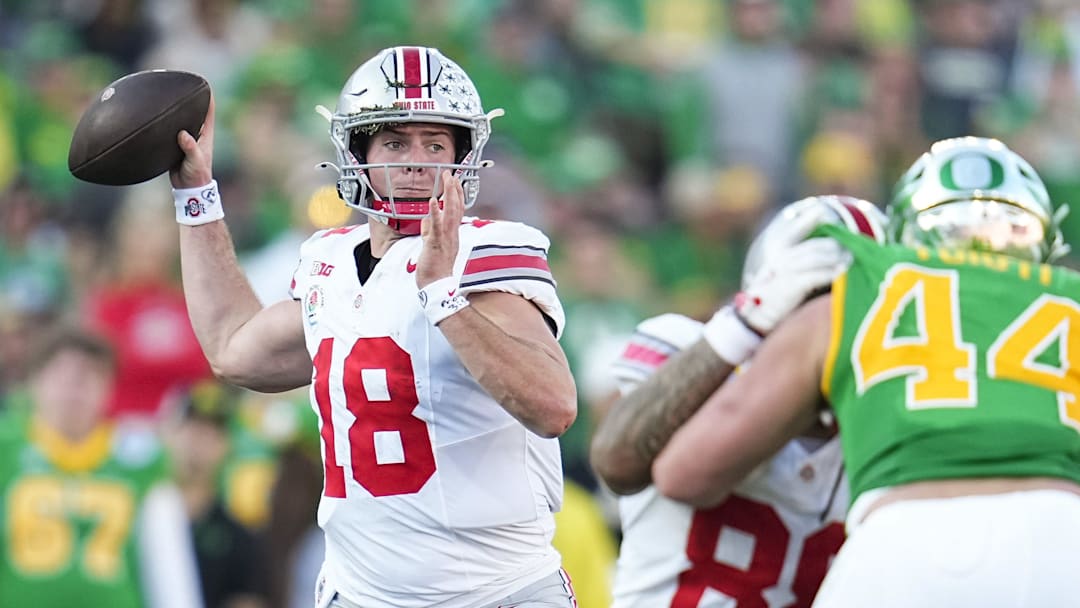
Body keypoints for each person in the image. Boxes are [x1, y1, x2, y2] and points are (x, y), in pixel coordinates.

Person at [168, 45, 578, 607]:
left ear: (463, 157)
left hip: (495, 593)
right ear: (356, 151)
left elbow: (552, 406)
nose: (416, 163)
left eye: (435, 144)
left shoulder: (487, 251)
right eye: (394, 142)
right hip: (360, 594)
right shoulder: (330, 261)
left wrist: (442, 295)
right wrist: (196, 193)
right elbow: (234, 350)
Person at [653, 137, 1080, 607]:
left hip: (901, 546)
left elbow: (684, 473)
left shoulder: (855, 297)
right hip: (1061, 540)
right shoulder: (1071, 299)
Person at [592, 196, 887, 607]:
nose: (825, 327)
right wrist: (743, 326)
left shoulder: (890, 403)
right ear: (773, 290)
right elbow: (617, 462)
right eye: (811, 301)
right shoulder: (685, 348)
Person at [0, 324, 203, 608]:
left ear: (109, 387)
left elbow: (168, 564)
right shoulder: (6, 447)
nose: (74, 389)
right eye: (63, 375)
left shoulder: (140, 459)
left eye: (87, 376)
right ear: (35, 382)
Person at [164, 381, 270, 608]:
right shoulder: (138, 517)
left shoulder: (238, 537)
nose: (199, 441)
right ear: (170, 434)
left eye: (212, 433)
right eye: (191, 427)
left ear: (226, 446)